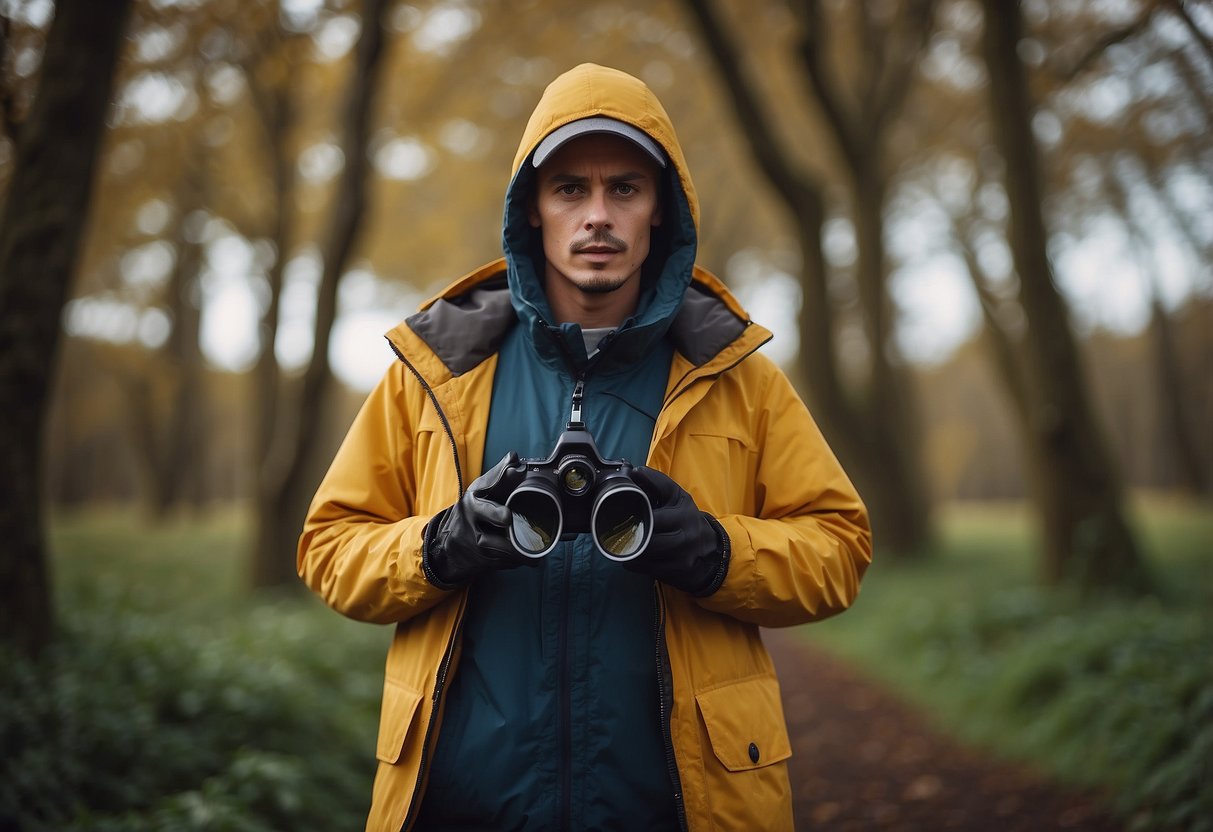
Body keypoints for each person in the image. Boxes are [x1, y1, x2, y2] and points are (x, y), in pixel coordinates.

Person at [298, 63, 871, 832]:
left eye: (624, 189)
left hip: (675, 805)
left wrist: (712, 551)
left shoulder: (737, 377)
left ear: (660, 211)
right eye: (569, 188)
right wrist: (441, 545)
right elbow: (331, 546)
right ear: (530, 209)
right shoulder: (438, 373)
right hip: (465, 802)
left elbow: (838, 548)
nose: (595, 216)